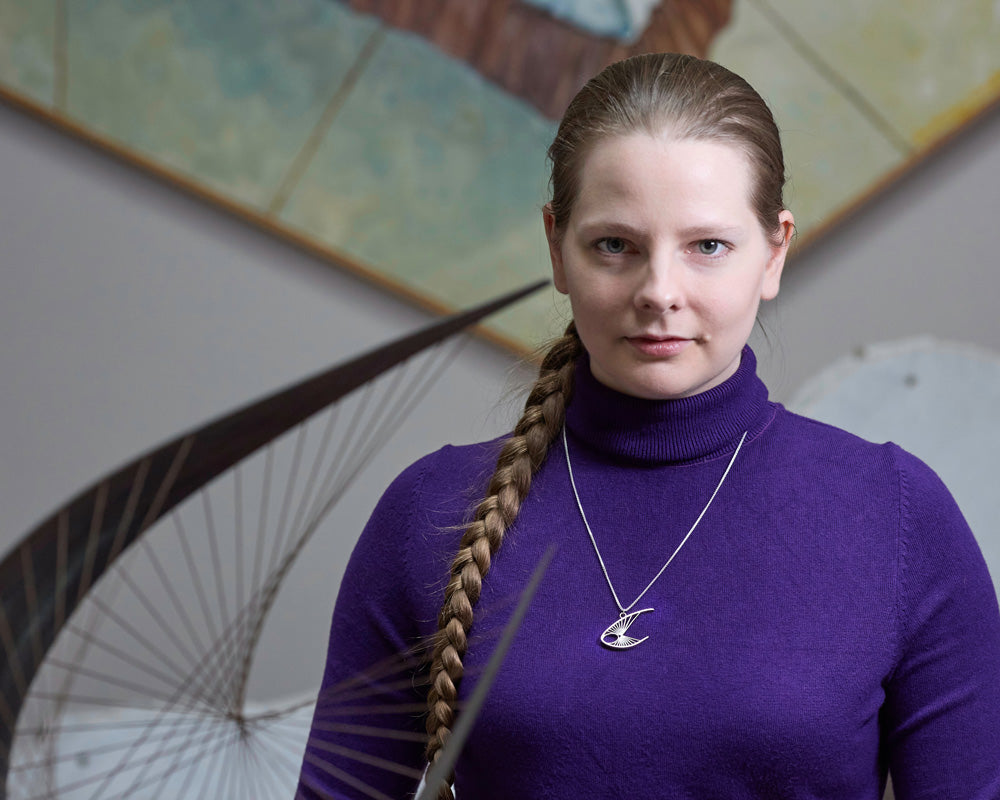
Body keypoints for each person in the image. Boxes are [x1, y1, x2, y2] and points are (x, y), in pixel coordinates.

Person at [296, 53, 1000, 799]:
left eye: (708, 247)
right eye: (614, 246)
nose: (659, 292)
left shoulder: (894, 516)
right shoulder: (430, 514)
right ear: (556, 247)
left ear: (774, 252)